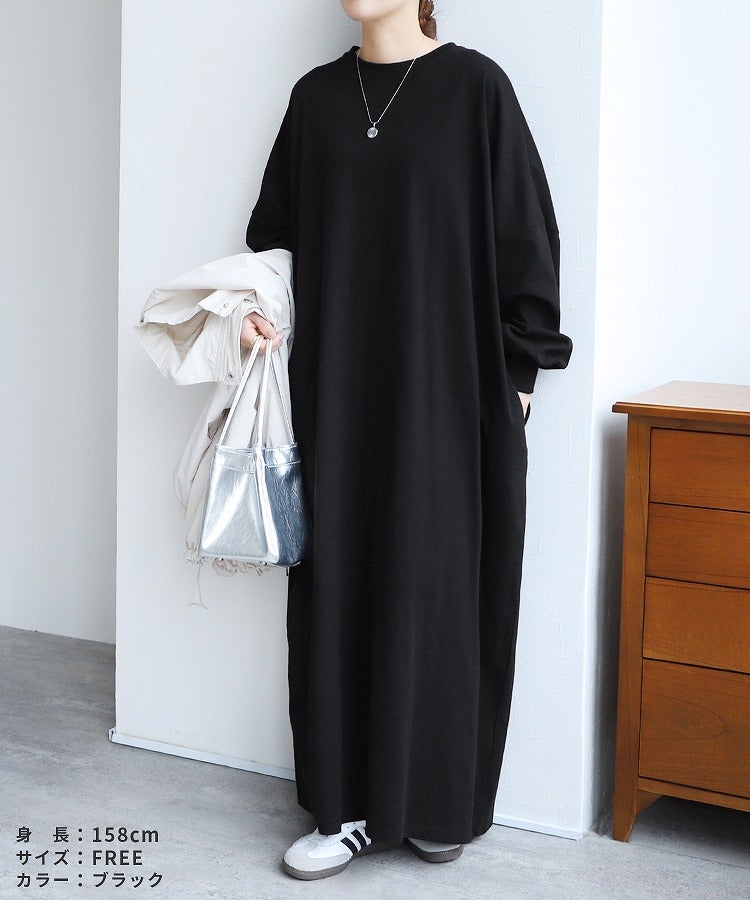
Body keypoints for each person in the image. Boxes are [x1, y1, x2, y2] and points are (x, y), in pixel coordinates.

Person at [243, 0, 573, 882]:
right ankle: (345, 808)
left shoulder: (476, 89)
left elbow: (528, 237)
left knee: (441, 590)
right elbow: (274, 241)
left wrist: (520, 380)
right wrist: (254, 314)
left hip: (449, 395)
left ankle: (435, 803)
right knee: (338, 585)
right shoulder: (316, 100)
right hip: (335, 395)